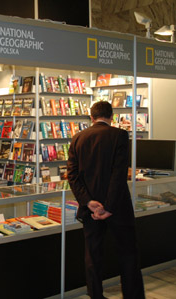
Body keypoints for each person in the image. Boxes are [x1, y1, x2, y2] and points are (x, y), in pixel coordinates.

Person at [67, 101, 145, 299]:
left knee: (92, 257)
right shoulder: (119, 135)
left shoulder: (77, 138)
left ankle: (96, 295)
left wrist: (88, 202)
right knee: (128, 255)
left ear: (91, 117)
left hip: (90, 209)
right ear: (112, 116)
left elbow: (72, 176)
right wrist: (108, 207)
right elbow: (118, 175)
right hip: (117, 207)